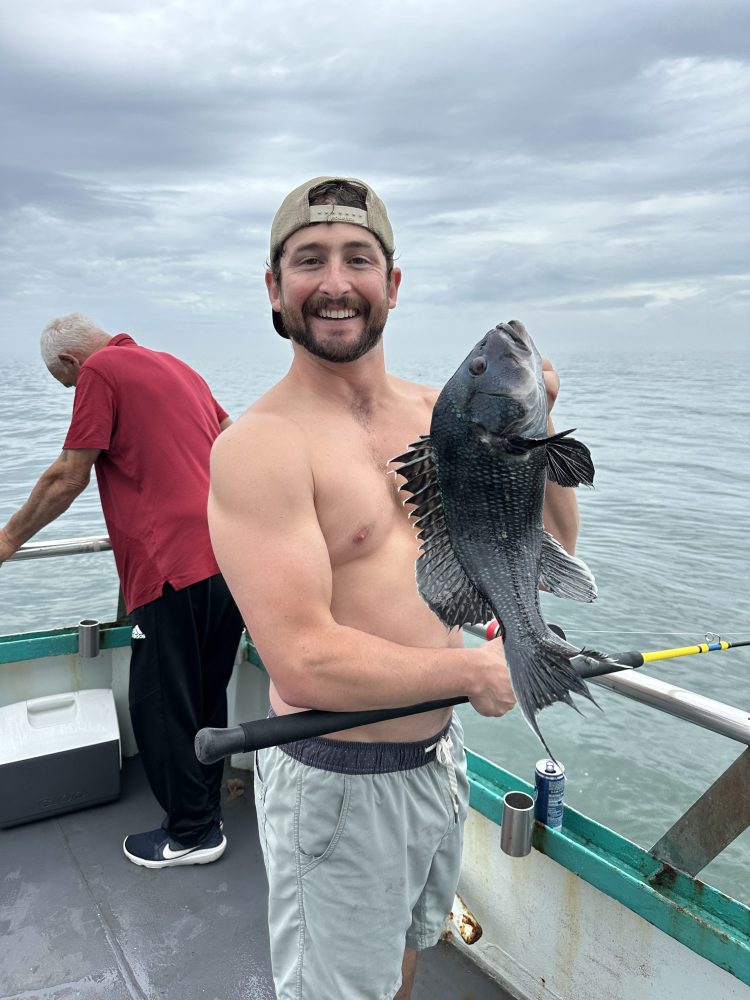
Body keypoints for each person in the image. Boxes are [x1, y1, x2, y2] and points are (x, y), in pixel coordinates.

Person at [207, 177, 580, 1000]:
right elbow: (303, 662)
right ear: (275, 288)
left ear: (393, 284)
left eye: (358, 259)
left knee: (409, 956)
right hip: (336, 786)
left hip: (438, 762)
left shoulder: (440, 409)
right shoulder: (258, 447)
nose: (336, 282)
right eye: (309, 260)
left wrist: (538, 428)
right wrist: (476, 672)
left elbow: (548, 541)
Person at [0, 315, 244, 869]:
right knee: (206, 694)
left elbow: (69, 474)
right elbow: (236, 440)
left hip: (167, 568)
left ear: (68, 363)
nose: (69, 389)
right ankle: (206, 812)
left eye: (63, 383)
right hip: (224, 560)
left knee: (159, 702)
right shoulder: (178, 367)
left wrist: (8, 539)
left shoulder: (100, 371)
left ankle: (189, 835)